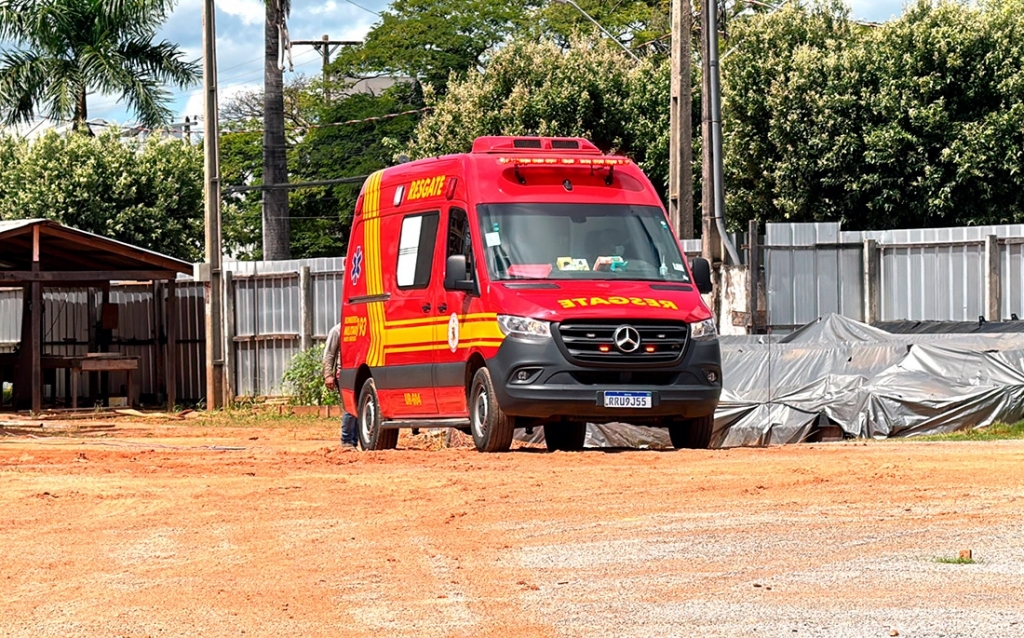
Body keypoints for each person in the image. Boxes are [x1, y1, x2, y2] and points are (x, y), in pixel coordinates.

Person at [323, 323, 359, 448]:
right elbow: (329, 354)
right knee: (351, 407)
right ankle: (346, 440)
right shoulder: (337, 331)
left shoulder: (363, 328)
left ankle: (354, 441)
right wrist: (328, 375)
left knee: (359, 407)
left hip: (360, 372)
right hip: (344, 373)